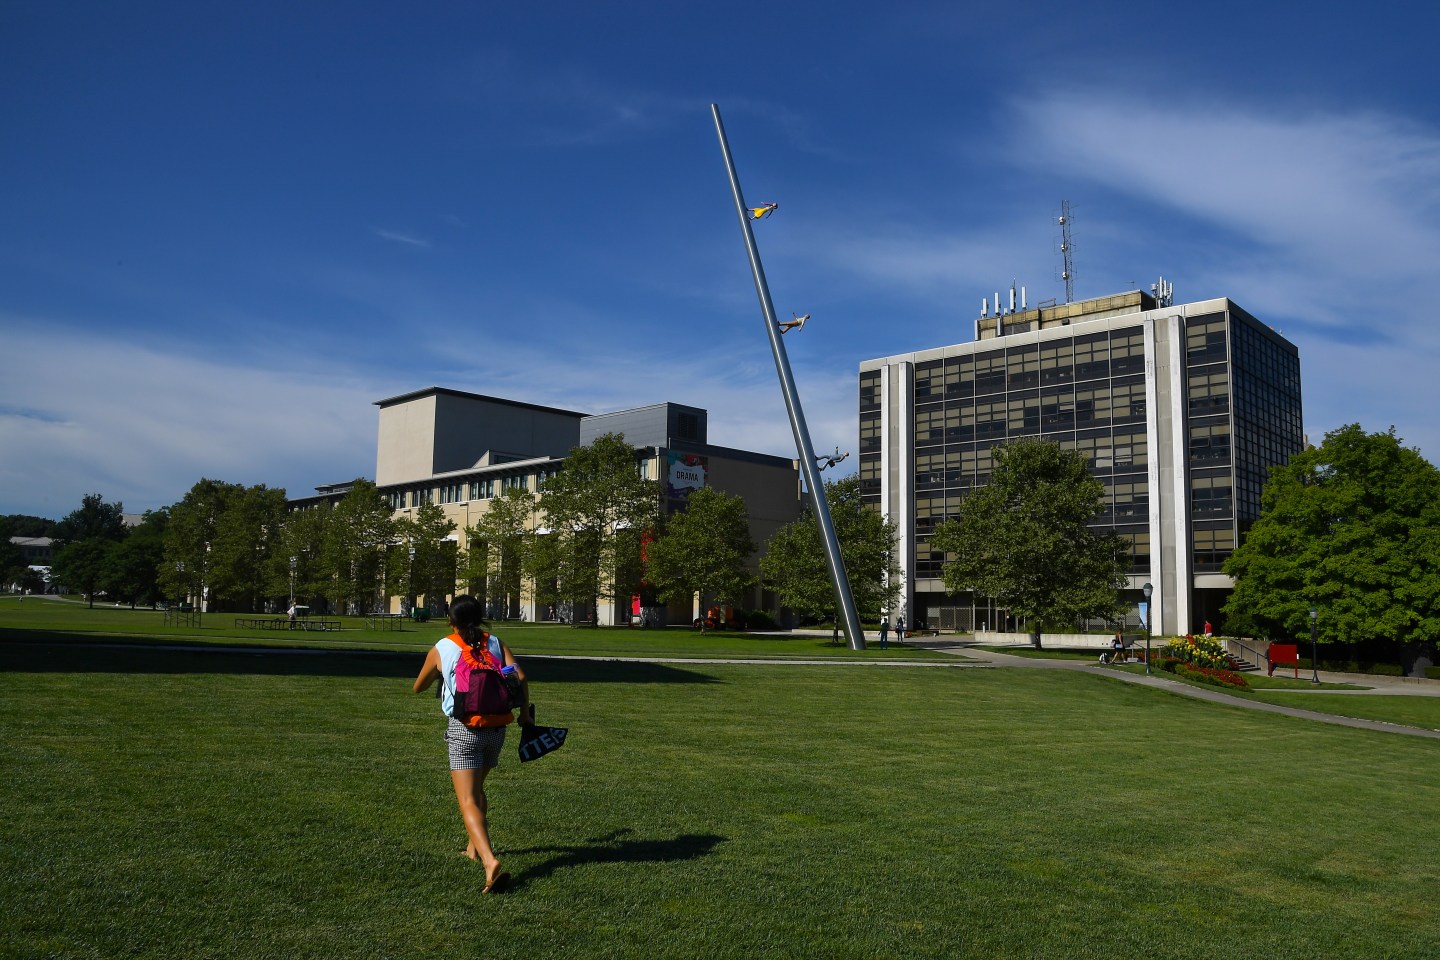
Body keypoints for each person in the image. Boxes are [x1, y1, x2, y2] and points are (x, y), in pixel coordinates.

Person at [413, 594, 529, 894]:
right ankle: (473, 849)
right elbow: (521, 675)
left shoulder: (443, 646)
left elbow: (418, 686)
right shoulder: (495, 642)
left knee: (467, 800)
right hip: (497, 729)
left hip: (464, 729)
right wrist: (525, 714)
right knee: (476, 791)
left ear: (450, 620)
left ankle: (490, 862)